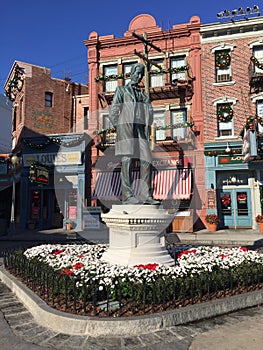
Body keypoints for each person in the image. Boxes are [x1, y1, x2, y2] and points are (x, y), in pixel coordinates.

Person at [109, 63, 159, 205]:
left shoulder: (143, 96)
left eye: (141, 74)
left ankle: (145, 195)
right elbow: (113, 112)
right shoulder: (122, 90)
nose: (138, 76)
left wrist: (148, 108)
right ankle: (127, 195)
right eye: (136, 73)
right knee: (127, 161)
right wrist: (119, 127)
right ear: (131, 74)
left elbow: (149, 116)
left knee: (146, 160)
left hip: (140, 130)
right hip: (126, 129)